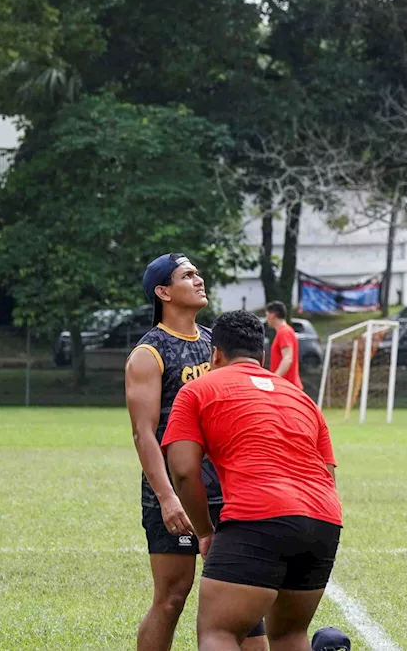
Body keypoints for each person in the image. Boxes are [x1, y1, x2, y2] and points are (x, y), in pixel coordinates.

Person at [162, 310, 342, 651]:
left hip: (258, 517)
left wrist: (204, 532)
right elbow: (328, 474)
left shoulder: (197, 390)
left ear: (214, 354)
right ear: (262, 356)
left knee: (219, 632)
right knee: (290, 635)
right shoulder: (302, 399)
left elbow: (184, 471)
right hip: (323, 521)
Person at [124, 253, 266, 651]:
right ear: (163, 291)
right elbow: (143, 434)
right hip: (175, 490)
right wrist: (168, 499)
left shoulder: (213, 346)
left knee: (245, 601)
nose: (199, 279)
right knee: (172, 597)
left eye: (198, 273)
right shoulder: (148, 353)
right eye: (188, 275)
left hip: (227, 489)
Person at [265, 301, 303, 391]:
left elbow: (287, 358)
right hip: (286, 387)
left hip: (288, 387)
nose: (266, 319)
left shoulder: (284, 332)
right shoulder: (284, 331)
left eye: (267, 315)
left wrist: (274, 378)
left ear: (272, 315)